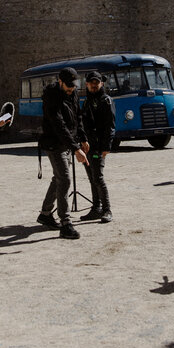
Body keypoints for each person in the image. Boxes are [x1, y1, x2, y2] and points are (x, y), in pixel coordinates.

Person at [37, 66, 87, 240]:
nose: (71, 88)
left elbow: (77, 116)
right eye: (68, 85)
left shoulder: (72, 92)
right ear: (59, 81)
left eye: (73, 85)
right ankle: (65, 223)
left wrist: (82, 137)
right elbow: (59, 125)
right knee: (64, 179)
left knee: (58, 178)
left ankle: (45, 213)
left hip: (67, 142)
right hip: (54, 143)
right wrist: (76, 148)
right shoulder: (51, 97)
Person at [79, 70, 115, 222]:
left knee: (98, 178)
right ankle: (96, 208)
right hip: (87, 146)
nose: (94, 85)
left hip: (99, 146)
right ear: (86, 84)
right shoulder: (87, 101)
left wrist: (106, 147)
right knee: (92, 178)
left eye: (96, 83)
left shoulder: (106, 100)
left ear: (101, 83)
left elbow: (110, 125)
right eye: (91, 83)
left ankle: (107, 210)